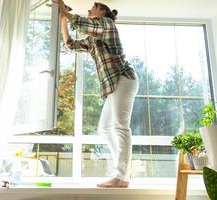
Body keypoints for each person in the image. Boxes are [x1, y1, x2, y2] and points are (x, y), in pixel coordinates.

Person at [52, 0, 139, 188]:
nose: (90, 9)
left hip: (123, 78)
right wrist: (63, 21)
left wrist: (61, 5)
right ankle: (124, 171)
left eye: (93, 7)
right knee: (105, 129)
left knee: (120, 126)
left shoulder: (108, 25)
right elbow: (70, 44)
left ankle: (121, 176)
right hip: (114, 85)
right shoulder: (93, 39)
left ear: (102, 12)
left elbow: (84, 23)